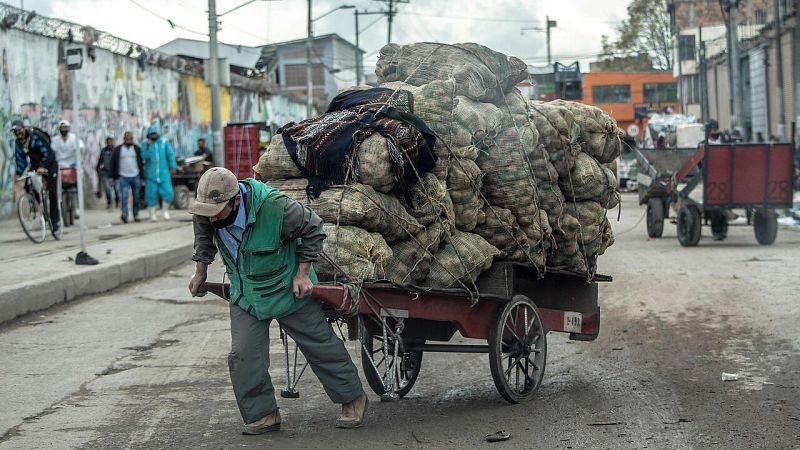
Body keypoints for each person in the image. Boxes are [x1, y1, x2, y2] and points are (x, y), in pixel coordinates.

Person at [188, 167, 368, 434]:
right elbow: (204, 238)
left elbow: (314, 229)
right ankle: (264, 414)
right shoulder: (208, 211)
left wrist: (303, 275)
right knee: (243, 354)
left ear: (236, 200)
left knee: (319, 344)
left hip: (287, 287)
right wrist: (200, 271)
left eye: (217, 213)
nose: (211, 219)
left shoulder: (276, 208)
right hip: (246, 291)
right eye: (206, 212)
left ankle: (353, 398)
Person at [12, 120, 60, 233]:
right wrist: (18, 175)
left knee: (52, 192)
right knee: (28, 184)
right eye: (15, 131)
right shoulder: (18, 143)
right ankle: (38, 206)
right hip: (35, 164)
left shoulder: (35, 136)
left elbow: (48, 153)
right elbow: (20, 161)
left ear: (24, 129)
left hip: (49, 163)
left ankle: (55, 222)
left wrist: (43, 166)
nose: (18, 133)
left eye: (19, 130)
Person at [141, 124, 177, 221]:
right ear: (148, 135)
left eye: (154, 133)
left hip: (164, 173)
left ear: (157, 134)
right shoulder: (145, 144)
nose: (153, 135)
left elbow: (170, 155)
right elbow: (144, 157)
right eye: (151, 134)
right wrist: (148, 148)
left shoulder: (164, 143)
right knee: (151, 194)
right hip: (151, 175)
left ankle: (165, 211)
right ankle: (152, 214)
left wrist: (173, 166)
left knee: (168, 192)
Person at [110, 131, 144, 223]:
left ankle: (136, 214)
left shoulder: (136, 149)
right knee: (124, 196)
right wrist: (111, 177)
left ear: (132, 139)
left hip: (135, 175)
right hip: (123, 176)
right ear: (124, 139)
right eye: (127, 139)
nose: (129, 140)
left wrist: (142, 177)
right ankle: (124, 214)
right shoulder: (118, 150)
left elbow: (140, 163)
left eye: (130, 139)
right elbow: (113, 163)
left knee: (136, 197)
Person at [96, 136, 119, 209]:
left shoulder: (116, 150)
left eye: (111, 141)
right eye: (108, 141)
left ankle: (117, 201)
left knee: (117, 189)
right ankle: (109, 202)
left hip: (115, 173)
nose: (110, 143)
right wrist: (98, 171)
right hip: (105, 172)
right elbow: (100, 162)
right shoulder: (103, 151)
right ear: (106, 142)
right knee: (107, 189)